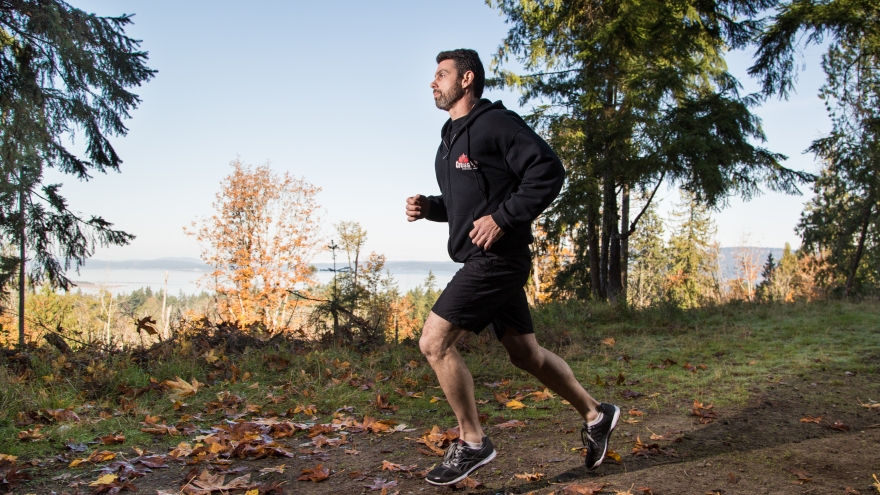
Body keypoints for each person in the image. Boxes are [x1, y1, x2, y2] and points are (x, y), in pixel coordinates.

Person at [405, 48, 621, 487]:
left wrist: (504, 219)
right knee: (525, 353)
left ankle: (472, 441)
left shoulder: (496, 124)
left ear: (466, 80)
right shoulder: (448, 142)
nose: (433, 82)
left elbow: (547, 170)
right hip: (483, 257)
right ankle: (597, 416)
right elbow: (472, 205)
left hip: (498, 260)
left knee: (434, 342)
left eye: (441, 75)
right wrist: (432, 207)